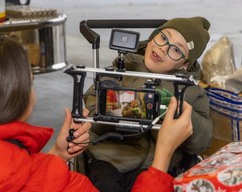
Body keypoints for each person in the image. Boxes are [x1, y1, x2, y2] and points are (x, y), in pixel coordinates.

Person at [0, 34, 193, 192]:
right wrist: (164, 152)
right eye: (30, 83)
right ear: (21, 100)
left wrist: (57, 155)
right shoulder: (69, 186)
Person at [83, 16, 213, 191]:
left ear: (184, 65)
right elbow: (92, 109)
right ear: (153, 36)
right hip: (111, 159)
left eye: (175, 50)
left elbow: (201, 141)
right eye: (163, 37)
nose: (163, 49)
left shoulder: (190, 92)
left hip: (157, 164)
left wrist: (179, 111)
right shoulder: (121, 69)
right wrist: (136, 105)